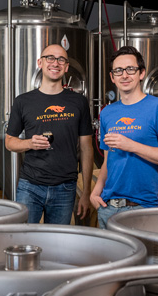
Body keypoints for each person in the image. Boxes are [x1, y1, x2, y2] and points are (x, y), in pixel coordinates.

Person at [90, 45, 158, 229]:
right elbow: (108, 160)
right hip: (107, 209)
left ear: (141, 73)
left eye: (130, 69)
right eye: (118, 71)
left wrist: (131, 145)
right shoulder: (107, 113)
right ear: (112, 77)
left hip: (141, 209)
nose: (124, 75)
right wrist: (95, 192)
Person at [5, 44, 94, 224]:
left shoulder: (79, 102)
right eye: (50, 58)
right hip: (30, 186)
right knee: (23, 239)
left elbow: (86, 148)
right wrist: (29, 143)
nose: (56, 63)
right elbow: (9, 142)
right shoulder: (23, 101)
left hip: (65, 188)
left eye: (61, 59)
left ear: (67, 67)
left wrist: (85, 193)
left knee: (58, 245)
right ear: (40, 62)